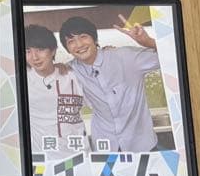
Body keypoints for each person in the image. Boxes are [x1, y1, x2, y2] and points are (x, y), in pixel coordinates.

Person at [59, 14, 161, 152]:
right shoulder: (70, 71)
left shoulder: (125, 57)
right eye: (71, 41)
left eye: (83, 36)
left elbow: (172, 56)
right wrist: (54, 67)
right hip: (105, 148)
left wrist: (148, 42)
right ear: (67, 49)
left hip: (142, 145)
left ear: (95, 39)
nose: (79, 45)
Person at [24, 24, 86, 159]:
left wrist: (106, 51)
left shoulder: (72, 75)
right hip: (43, 160)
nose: (34, 57)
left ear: (53, 51)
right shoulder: (21, 81)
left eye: (40, 49)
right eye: (28, 51)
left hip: (78, 155)